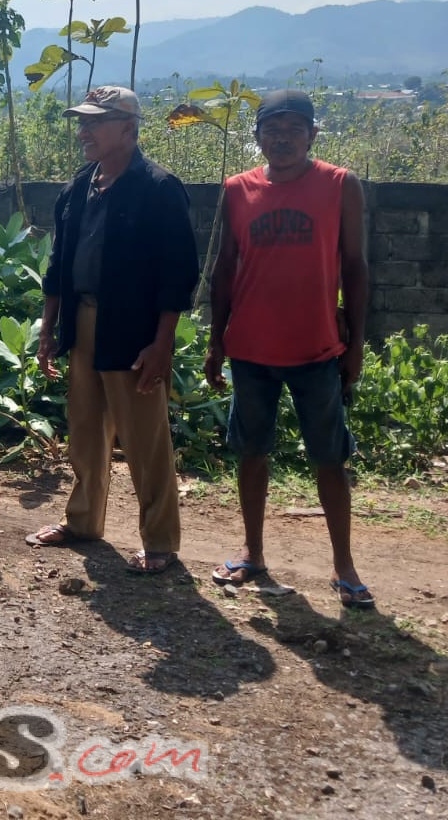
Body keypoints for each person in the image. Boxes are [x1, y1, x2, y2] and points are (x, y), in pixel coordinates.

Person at [203, 89, 374, 608]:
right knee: (251, 453)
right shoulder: (237, 189)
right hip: (251, 349)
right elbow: (224, 269)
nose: (282, 139)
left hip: (317, 350)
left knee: (330, 459)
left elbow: (355, 266)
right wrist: (215, 341)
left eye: (294, 129)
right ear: (257, 137)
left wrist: (356, 344)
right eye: (272, 131)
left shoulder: (340, 185)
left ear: (312, 134)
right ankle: (252, 553)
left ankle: (344, 566)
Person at [33, 86, 198, 574]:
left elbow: (178, 275)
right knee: (85, 430)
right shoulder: (78, 188)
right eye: (82, 123)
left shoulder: (158, 188)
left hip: (133, 328)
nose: (83, 132)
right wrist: (48, 328)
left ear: (128, 128)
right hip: (83, 321)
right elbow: (58, 265)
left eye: (95, 122)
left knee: (145, 438)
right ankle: (83, 521)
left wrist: (162, 343)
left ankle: (160, 541)